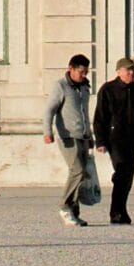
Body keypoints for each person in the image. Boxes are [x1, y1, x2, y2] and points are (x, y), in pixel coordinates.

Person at [95, 57, 134, 225]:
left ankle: (122, 209)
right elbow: (100, 117)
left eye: (132, 70)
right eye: (128, 70)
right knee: (122, 173)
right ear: (118, 71)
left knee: (128, 177)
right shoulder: (107, 90)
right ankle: (116, 212)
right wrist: (100, 141)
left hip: (132, 139)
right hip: (115, 139)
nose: (131, 73)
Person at [40, 54, 95, 227]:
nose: (84, 75)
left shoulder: (85, 87)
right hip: (67, 136)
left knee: (82, 174)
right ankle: (64, 206)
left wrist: (90, 136)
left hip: (83, 136)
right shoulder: (61, 86)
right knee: (77, 170)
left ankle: (74, 211)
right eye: (81, 71)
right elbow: (49, 110)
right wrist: (47, 131)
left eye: (86, 72)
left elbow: (85, 113)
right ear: (70, 68)